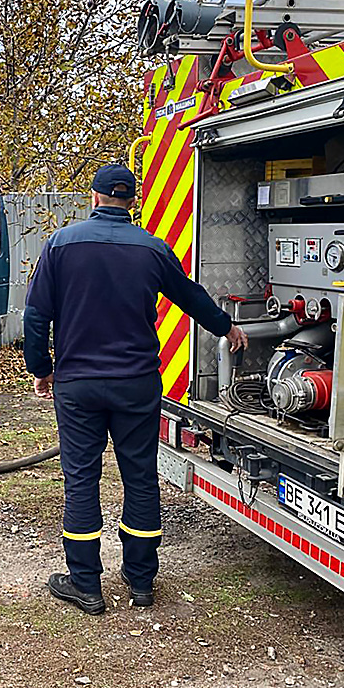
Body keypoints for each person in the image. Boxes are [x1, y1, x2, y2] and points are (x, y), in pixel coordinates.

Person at [23, 163, 248, 614]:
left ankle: (86, 584)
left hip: (78, 385)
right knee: (141, 477)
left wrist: (41, 368)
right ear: (132, 201)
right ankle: (141, 581)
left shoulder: (61, 244)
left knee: (82, 479)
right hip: (136, 384)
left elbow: (35, 314)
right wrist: (226, 327)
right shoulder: (152, 248)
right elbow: (189, 295)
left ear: (94, 198)